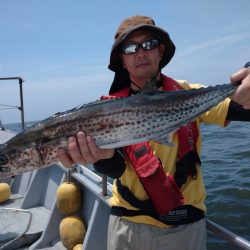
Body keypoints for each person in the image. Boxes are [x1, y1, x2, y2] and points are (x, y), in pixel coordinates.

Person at [57, 15, 250, 250]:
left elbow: (242, 109)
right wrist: (101, 157)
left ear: (160, 51)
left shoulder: (186, 92)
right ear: (122, 59)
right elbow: (116, 168)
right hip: (128, 226)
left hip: (185, 227)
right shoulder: (104, 111)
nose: (140, 53)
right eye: (130, 48)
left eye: (148, 44)